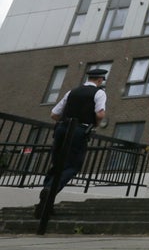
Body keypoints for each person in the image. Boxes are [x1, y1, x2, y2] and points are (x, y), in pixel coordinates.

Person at [35, 68, 108, 218]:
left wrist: (65, 122)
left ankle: (45, 205)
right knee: (73, 165)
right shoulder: (99, 93)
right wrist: (95, 124)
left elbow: (54, 114)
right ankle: (50, 189)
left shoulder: (71, 92)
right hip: (79, 130)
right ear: (100, 80)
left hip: (61, 129)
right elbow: (100, 113)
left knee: (57, 163)